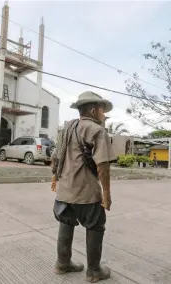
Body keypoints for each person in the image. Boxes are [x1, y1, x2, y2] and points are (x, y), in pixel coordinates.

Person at [51, 91, 116, 282]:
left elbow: (55, 157)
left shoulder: (68, 127)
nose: (104, 115)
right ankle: (94, 271)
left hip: (64, 190)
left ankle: (62, 264)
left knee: (66, 222)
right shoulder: (97, 130)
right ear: (94, 110)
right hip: (86, 191)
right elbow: (102, 165)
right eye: (102, 111)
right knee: (96, 226)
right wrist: (107, 194)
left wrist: (55, 177)